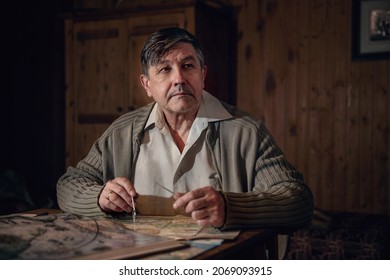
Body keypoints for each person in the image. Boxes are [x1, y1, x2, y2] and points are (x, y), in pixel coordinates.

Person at [57, 27, 313, 231]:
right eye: (165, 69)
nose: (178, 78)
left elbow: (297, 200)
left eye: (188, 66)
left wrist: (230, 207)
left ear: (202, 75)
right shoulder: (122, 132)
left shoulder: (246, 132)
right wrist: (99, 197)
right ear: (147, 85)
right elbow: (69, 185)